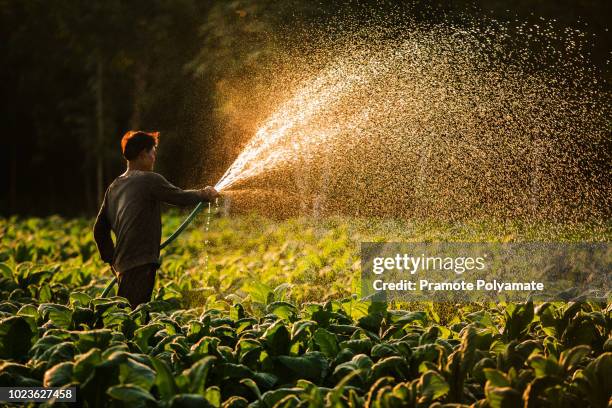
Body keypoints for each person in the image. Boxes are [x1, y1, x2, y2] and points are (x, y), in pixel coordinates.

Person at [93, 130, 219, 309]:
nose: (154, 158)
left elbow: (99, 229)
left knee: (128, 313)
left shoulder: (114, 186)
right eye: (153, 152)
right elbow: (179, 197)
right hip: (141, 262)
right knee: (133, 316)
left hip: (125, 264)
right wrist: (205, 194)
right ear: (143, 153)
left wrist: (111, 258)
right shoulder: (148, 180)